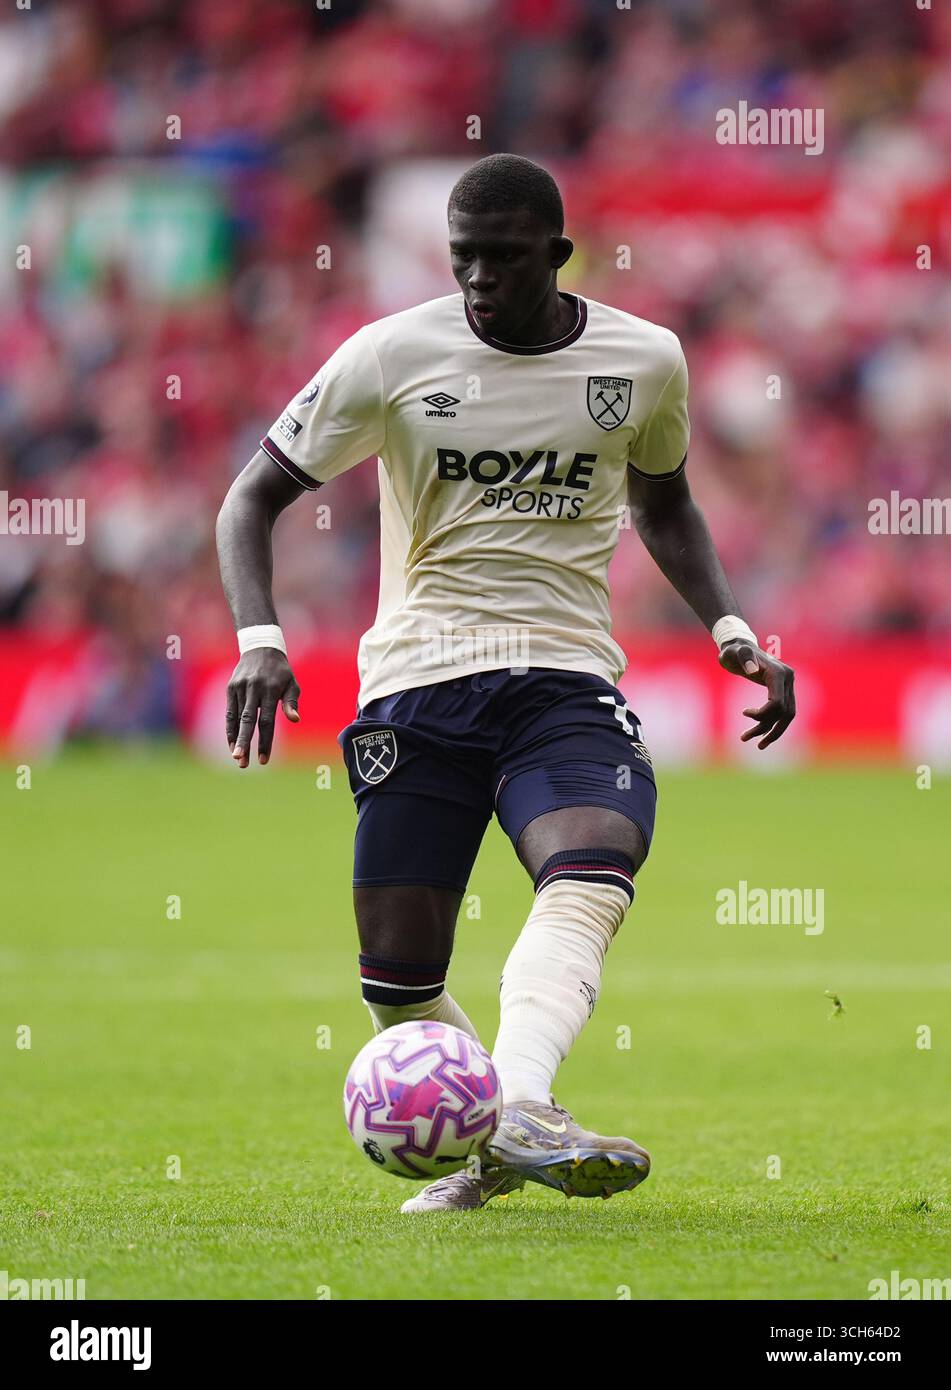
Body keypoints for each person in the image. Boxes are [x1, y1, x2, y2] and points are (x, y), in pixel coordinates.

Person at [216, 152, 796, 1213]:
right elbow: (250, 497)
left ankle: (522, 1101)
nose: (478, 278)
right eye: (462, 258)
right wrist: (261, 634)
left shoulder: (644, 360)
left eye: (502, 258)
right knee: (394, 975)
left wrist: (729, 624)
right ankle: (492, 1150)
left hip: (564, 675)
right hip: (418, 685)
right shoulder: (392, 353)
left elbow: (664, 505)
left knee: (591, 860)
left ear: (557, 255)